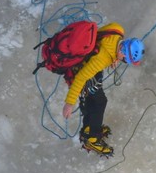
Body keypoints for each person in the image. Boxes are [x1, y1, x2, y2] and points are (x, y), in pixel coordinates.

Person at [61, 22, 145, 156]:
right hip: (83, 71)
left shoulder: (117, 30)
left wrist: (114, 56)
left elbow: (101, 37)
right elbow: (81, 78)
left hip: (92, 66)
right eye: (125, 60)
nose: (124, 62)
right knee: (100, 102)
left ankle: (88, 129)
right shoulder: (102, 59)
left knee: (92, 99)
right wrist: (69, 103)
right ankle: (92, 138)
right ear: (122, 51)